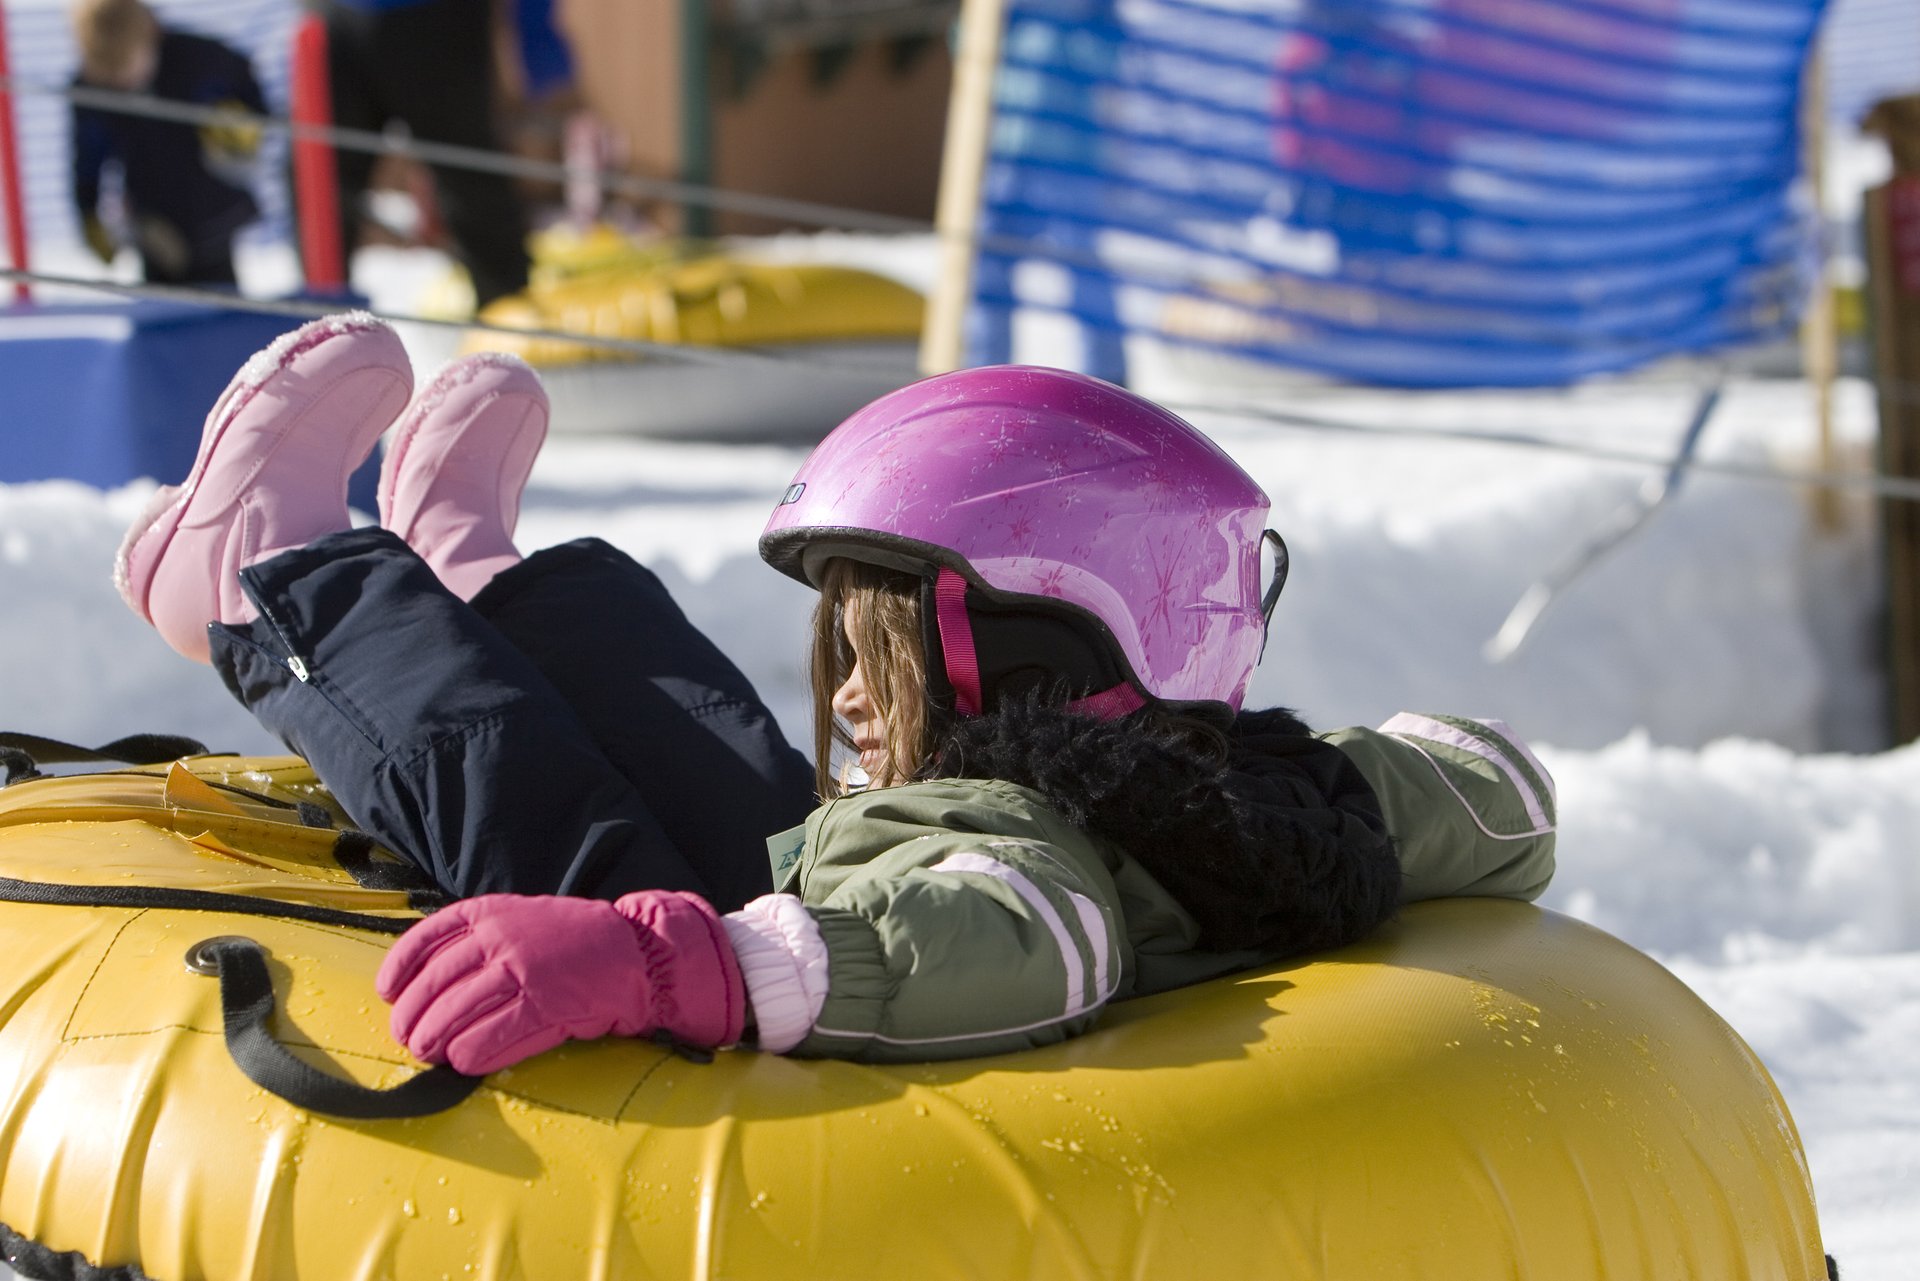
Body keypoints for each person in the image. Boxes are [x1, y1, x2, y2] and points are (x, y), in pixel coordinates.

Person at [114, 313, 1556, 1072]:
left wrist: (677, 964)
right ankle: (481, 579)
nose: (853, 693)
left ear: (1024, 649)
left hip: (742, 1052)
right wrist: (1343, 778)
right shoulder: (1240, 790)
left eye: (877, 651)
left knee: (533, 800)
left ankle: (270, 581)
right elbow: (1496, 789)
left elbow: (1022, 934)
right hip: (837, 888)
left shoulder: (1025, 852)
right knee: (728, 754)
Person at [308, 0, 532, 308]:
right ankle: (316, 331)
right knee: (318, 187)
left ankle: (507, 325)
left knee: (468, 177)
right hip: (333, 15)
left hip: (431, 14)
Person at [69, 0, 267, 286]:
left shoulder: (197, 59)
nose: (122, 82)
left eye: (128, 67)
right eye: (109, 78)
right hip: (152, 221)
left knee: (221, 303)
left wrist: (243, 124)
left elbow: (249, 88)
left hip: (212, 211)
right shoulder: (90, 90)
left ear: (151, 35)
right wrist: (89, 213)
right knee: (162, 298)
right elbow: (87, 156)